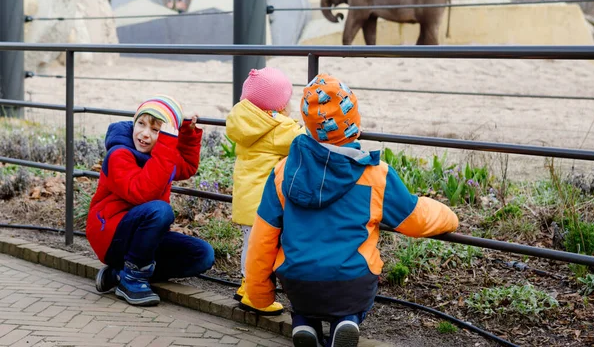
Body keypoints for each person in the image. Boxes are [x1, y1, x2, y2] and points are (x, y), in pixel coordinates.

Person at [244, 74, 459, 347]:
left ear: (307, 126)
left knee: (305, 296)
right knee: (355, 284)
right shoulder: (375, 174)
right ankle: (348, 321)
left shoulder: (284, 172)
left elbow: (262, 239)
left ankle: (303, 323)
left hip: (298, 282)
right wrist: (449, 216)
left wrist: (259, 294)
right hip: (351, 282)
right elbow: (414, 218)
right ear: (353, 121)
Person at [86, 95, 215, 306]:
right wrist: (165, 144)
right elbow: (141, 193)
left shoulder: (160, 154)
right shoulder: (119, 154)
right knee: (160, 211)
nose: (145, 134)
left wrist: (186, 132)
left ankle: (121, 274)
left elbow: (188, 166)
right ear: (133, 122)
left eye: (155, 130)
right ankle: (132, 280)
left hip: (144, 237)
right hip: (109, 234)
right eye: (141, 124)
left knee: (203, 255)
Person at [225, 67, 307, 315]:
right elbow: (304, 140)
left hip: (246, 200)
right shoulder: (278, 128)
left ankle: (245, 284)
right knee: (263, 252)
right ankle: (253, 295)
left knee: (250, 247)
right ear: (280, 105)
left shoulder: (246, 122)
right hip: (265, 204)